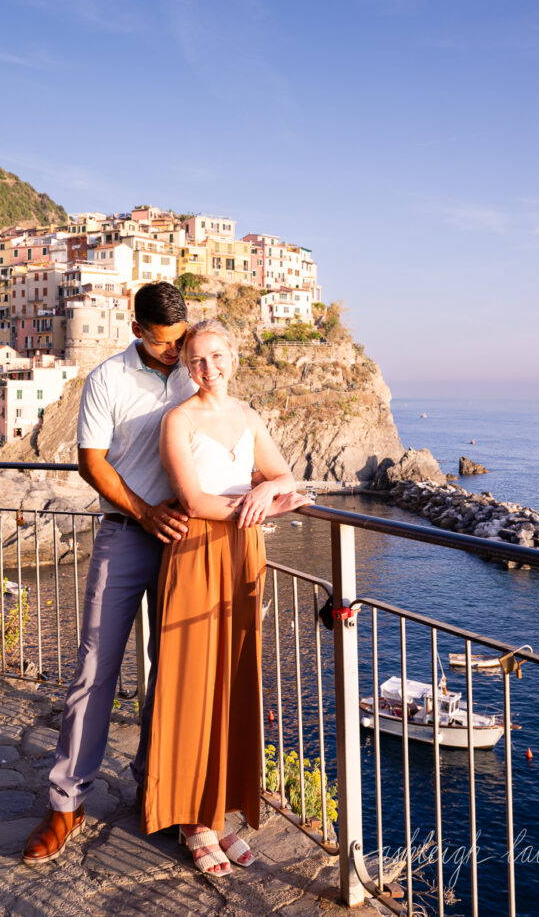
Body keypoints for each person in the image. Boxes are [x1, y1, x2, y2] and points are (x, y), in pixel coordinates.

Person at [22, 281, 196, 866]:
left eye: (180, 341)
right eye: (165, 343)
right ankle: (65, 803)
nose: (175, 352)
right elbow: (91, 463)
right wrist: (145, 514)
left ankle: (159, 790)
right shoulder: (107, 380)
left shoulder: (197, 368)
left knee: (175, 673)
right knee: (94, 669)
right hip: (126, 534)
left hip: (187, 542)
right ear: (137, 329)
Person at [141, 319, 305, 877]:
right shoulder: (177, 419)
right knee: (191, 684)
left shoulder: (249, 417)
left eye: (214, 357)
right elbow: (191, 499)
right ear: (187, 368)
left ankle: (217, 812)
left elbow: (288, 479)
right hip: (194, 555)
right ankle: (191, 820)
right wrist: (261, 505)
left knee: (232, 682)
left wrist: (265, 488)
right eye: (195, 362)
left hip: (243, 554)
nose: (206, 370)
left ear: (233, 357)